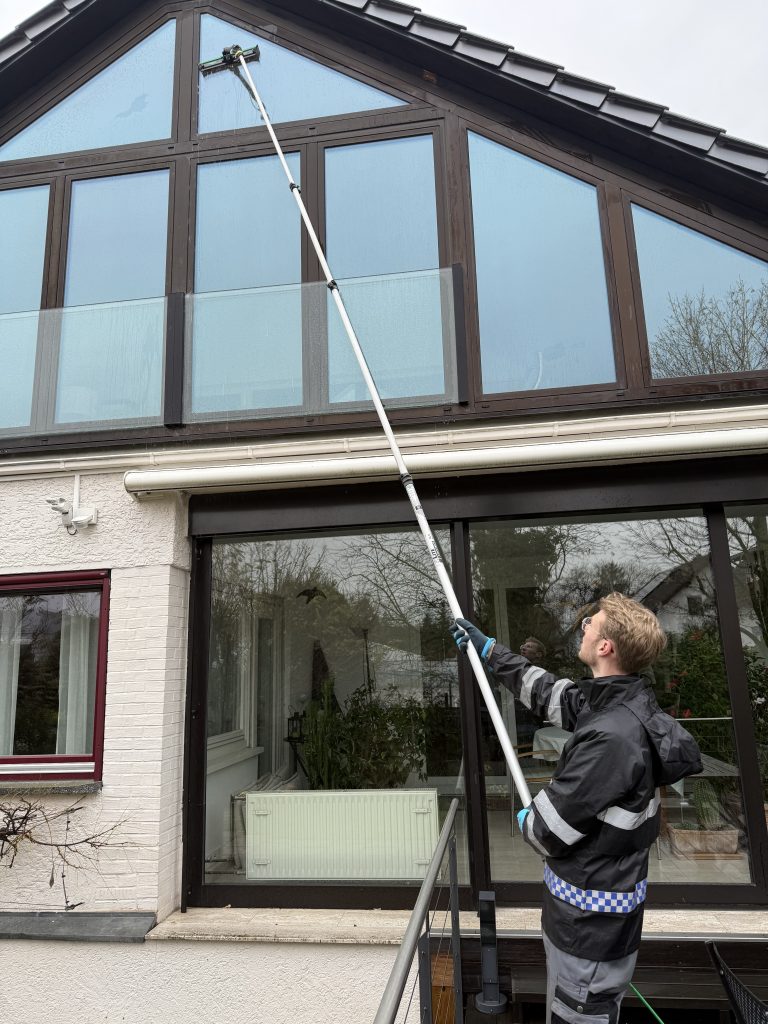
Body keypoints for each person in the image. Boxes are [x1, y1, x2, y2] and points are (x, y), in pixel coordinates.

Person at [450, 593, 702, 1024]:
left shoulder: (612, 738)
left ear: (605, 646)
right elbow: (548, 692)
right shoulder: (614, 704)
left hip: (589, 933)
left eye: (590, 623)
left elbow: (548, 830)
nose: (582, 627)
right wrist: (490, 651)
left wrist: (531, 821)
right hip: (592, 924)